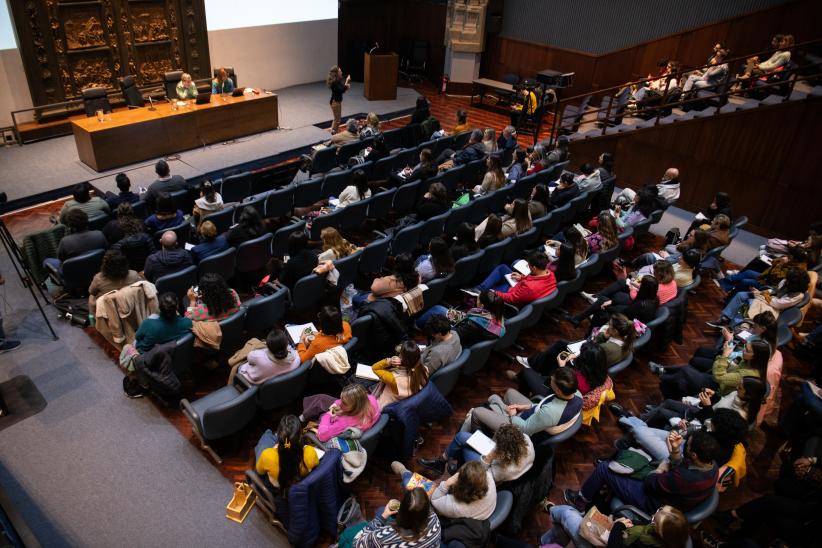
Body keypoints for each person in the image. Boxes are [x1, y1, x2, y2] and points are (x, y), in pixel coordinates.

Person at [565, 430, 719, 515]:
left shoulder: (684, 478)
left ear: (694, 455)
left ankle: (580, 503)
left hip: (653, 502)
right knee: (627, 461)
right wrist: (675, 451)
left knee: (604, 468)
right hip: (668, 494)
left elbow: (650, 483)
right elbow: (681, 466)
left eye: (688, 445)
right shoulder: (712, 466)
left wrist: (659, 469)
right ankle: (604, 490)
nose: (686, 445)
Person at [462, 367, 582, 438]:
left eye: (552, 380)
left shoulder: (550, 413)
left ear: (558, 390)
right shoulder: (577, 394)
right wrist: (524, 406)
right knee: (510, 393)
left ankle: (480, 438)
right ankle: (496, 418)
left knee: (478, 412)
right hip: (535, 416)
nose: (550, 378)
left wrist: (513, 415)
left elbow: (525, 430)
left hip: (520, 430)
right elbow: (546, 405)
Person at [653, 339, 771, 401]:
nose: (744, 350)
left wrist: (724, 356)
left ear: (756, 356)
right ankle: (663, 371)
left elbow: (719, 377)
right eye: (746, 347)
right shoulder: (747, 361)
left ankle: (662, 373)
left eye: (747, 350)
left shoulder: (748, 374)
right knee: (683, 374)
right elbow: (727, 368)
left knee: (684, 372)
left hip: (716, 389)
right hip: (715, 379)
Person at [420, 423, 534, 484]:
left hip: (490, 470)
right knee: (462, 437)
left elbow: (485, 475)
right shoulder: (525, 439)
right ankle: (441, 462)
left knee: (464, 449)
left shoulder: (507, 470)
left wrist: (490, 457)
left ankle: (459, 471)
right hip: (501, 456)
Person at [544, 504, 689, 548]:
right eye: (660, 509)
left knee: (566, 513)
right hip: (614, 537)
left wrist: (618, 526)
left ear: (662, 533)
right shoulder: (670, 537)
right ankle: (545, 541)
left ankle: (550, 509)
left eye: (655, 521)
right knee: (564, 529)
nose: (652, 516)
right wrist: (627, 525)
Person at [711, 267, 809, 326]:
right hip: (769, 299)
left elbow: (778, 304)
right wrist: (761, 292)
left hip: (774, 308)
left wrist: (763, 295)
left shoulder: (798, 295)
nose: (785, 280)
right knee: (741, 295)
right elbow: (774, 290)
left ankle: (735, 325)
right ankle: (725, 318)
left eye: (788, 279)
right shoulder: (786, 281)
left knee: (749, 302)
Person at [513, 339, 609, 398]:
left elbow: (564, 387)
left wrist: (562, 366)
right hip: (565, 388)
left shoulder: (579, 380)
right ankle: (526, 376)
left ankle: (523, 397)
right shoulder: (599, 372)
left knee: (526, 372)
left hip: (556, 394)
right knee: (559, 348)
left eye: (581, 354)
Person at [352, 488, 441, 547]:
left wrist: (382, 517)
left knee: (380, 511)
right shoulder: (434, 518)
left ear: (401, 512)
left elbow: (357, 543)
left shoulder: (385, 537)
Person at [569, 274, 661, 327]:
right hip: (631, 314)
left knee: (602, 301)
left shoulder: (641, 304)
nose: (639, 286)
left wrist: (610, 305)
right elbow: (631, 304)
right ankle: (578, 319)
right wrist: (613, 302)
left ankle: (578, 319)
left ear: (644, 288)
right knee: (613, 298)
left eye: (642, 285)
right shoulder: (654, 298)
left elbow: (625, 312)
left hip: (624, 320)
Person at [255, 415, 320, 489]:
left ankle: (269, 433)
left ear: (279, 435)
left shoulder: (267, 454)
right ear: (300, 436)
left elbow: (260, 471)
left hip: (278, 488)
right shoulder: (310, 452)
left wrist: (273, 450)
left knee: (266, 436)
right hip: (300, 486)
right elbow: (316, 464)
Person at [477, 251, 557, 306]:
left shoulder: (530, 288)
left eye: (528, 266)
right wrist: (521, 278)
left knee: (489, 290)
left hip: (511, 294)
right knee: (502, 268)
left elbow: (511, 298)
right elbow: (535, 279)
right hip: (519, 287)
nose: (528, 267)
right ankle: (479, 289)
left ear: (534, 268)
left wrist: (494, 292)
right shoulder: (551, 274)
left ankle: (478, 292)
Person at [427, 460, 497, 520]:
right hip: (485, 510)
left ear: (461, 484)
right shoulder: (489, 477)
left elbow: (435, 499)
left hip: (462, 517)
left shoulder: (456, 507)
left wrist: (447, 483)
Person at [228, 328, 300, 385]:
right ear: (286, 344)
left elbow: (249, 358)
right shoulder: (296, 361)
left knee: (250, 346)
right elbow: (295, 352)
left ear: (268, 347)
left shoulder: (258, 356)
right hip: (271, 384)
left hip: (250, 379)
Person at [371, 340, 429, 409]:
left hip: (382, 406)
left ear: (400, 358)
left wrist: (389, 361)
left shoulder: (394, 379)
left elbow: (374, 368)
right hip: (401, 402)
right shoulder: (424, 370)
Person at [46, 208, 108, 272]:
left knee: (47, 261)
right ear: (87, 221)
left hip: (74, 273)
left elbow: (61, 259)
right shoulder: (99, 234)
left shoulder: (65, 241)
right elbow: (106, 251)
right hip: (97, 269)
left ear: (70, 227)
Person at [327, 65, 351, 134]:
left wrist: (346, 83)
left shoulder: (337, 80)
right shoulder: (335, 82)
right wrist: (347, 84)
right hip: (335, 103)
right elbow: (342, 90)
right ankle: (333, 134)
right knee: (337, 120)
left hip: (337, 102)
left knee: (336, 119)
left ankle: (333, 132)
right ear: (336, 73)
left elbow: (343, 89)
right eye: (340, 71)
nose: (341, 72)